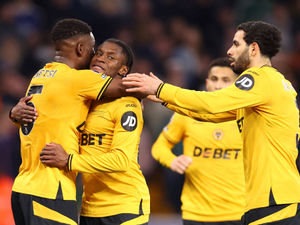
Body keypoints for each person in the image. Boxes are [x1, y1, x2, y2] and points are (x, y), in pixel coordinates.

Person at [122, 21, 300, 224]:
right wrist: (165, 99)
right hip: (269, 198)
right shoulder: (273, 83)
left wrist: (161, 88)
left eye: (236, 44)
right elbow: (210, 116)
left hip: (271, 199)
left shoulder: (260, 78)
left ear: (253, 48)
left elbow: (212, 103)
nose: (229, 50)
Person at [9, 19, 131, 225]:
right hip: (50, 191)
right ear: (81, 48)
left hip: (23, 188)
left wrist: (13, 113)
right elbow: (125, 87)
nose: (96, 57)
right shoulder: (77, 79)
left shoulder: (41, 76)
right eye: (95, 50)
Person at [38, 38, 150, 225]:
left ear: (123, 70)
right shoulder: (83, 100)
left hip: (124, 206)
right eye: (98, 53)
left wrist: (69, 160)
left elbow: (121, 160)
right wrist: (17, 113)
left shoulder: (127, 104)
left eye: (111, 57)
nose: (101, 58)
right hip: (90, 207)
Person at [152, 58, 245, 225]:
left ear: (237, 85)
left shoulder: (247, 116)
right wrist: (172, 161)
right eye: (214, 79)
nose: (218, 85)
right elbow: (159, 147)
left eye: (226, 80)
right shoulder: (187, 113)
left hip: (238, 213)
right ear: (207, 82)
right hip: (195, 213)